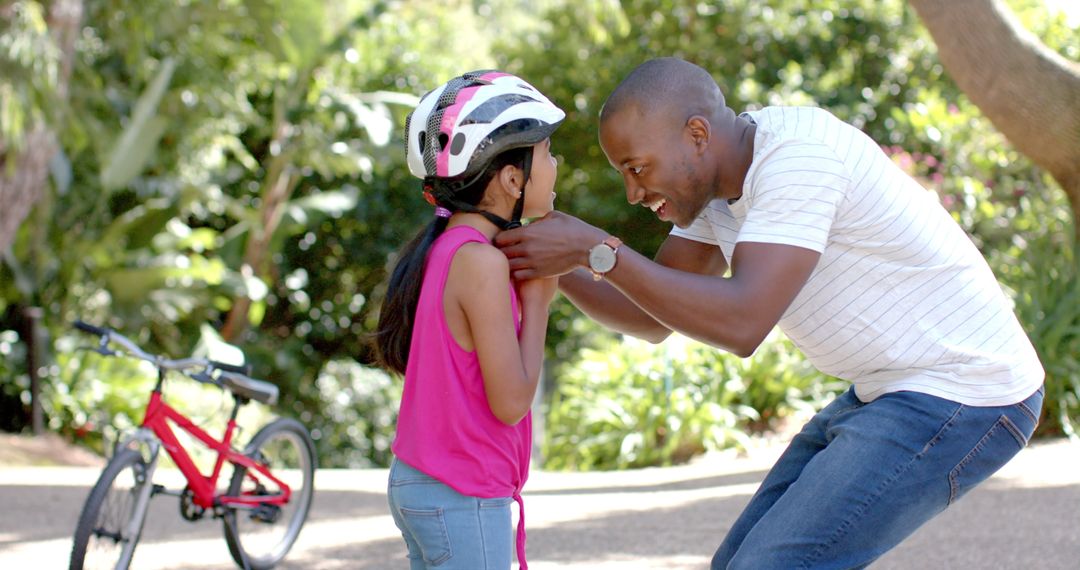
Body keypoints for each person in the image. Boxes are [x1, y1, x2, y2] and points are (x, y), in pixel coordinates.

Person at [495, 57, 1045, 569]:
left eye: (638, 168)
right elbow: (650, 318)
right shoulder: (711, 187)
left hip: (964, 392)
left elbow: (742, 322)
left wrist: (595, 252)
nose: (633, 192)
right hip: (888, 390)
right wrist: (547, 253)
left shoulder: (798, 158)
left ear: (697, 134)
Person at [374, 70, 564, 569]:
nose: (556, 164)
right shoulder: (481, 263)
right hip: (462, 490)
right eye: (546, 154)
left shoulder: (449, 248)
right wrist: (540, 302)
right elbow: (511, 403)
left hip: (428, 483)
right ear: (511, 178)